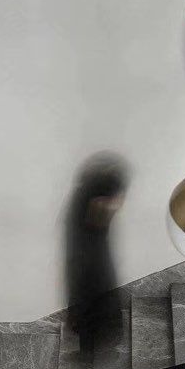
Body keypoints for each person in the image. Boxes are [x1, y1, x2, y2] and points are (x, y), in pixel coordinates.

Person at [64, 152, 129, 354]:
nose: (117, 206)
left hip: (94, 300)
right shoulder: (86, 239)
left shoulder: (90, 223)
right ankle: (92, 347)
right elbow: (79, 276)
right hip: (90, 300)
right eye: (113, 201)